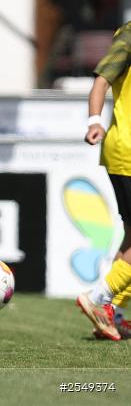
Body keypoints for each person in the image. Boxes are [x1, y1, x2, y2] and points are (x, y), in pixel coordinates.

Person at [77, 22, 131, 341]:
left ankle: (112, 313)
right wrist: (94, 120)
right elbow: (101, 81)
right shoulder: (130, 34)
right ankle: (99, 298)